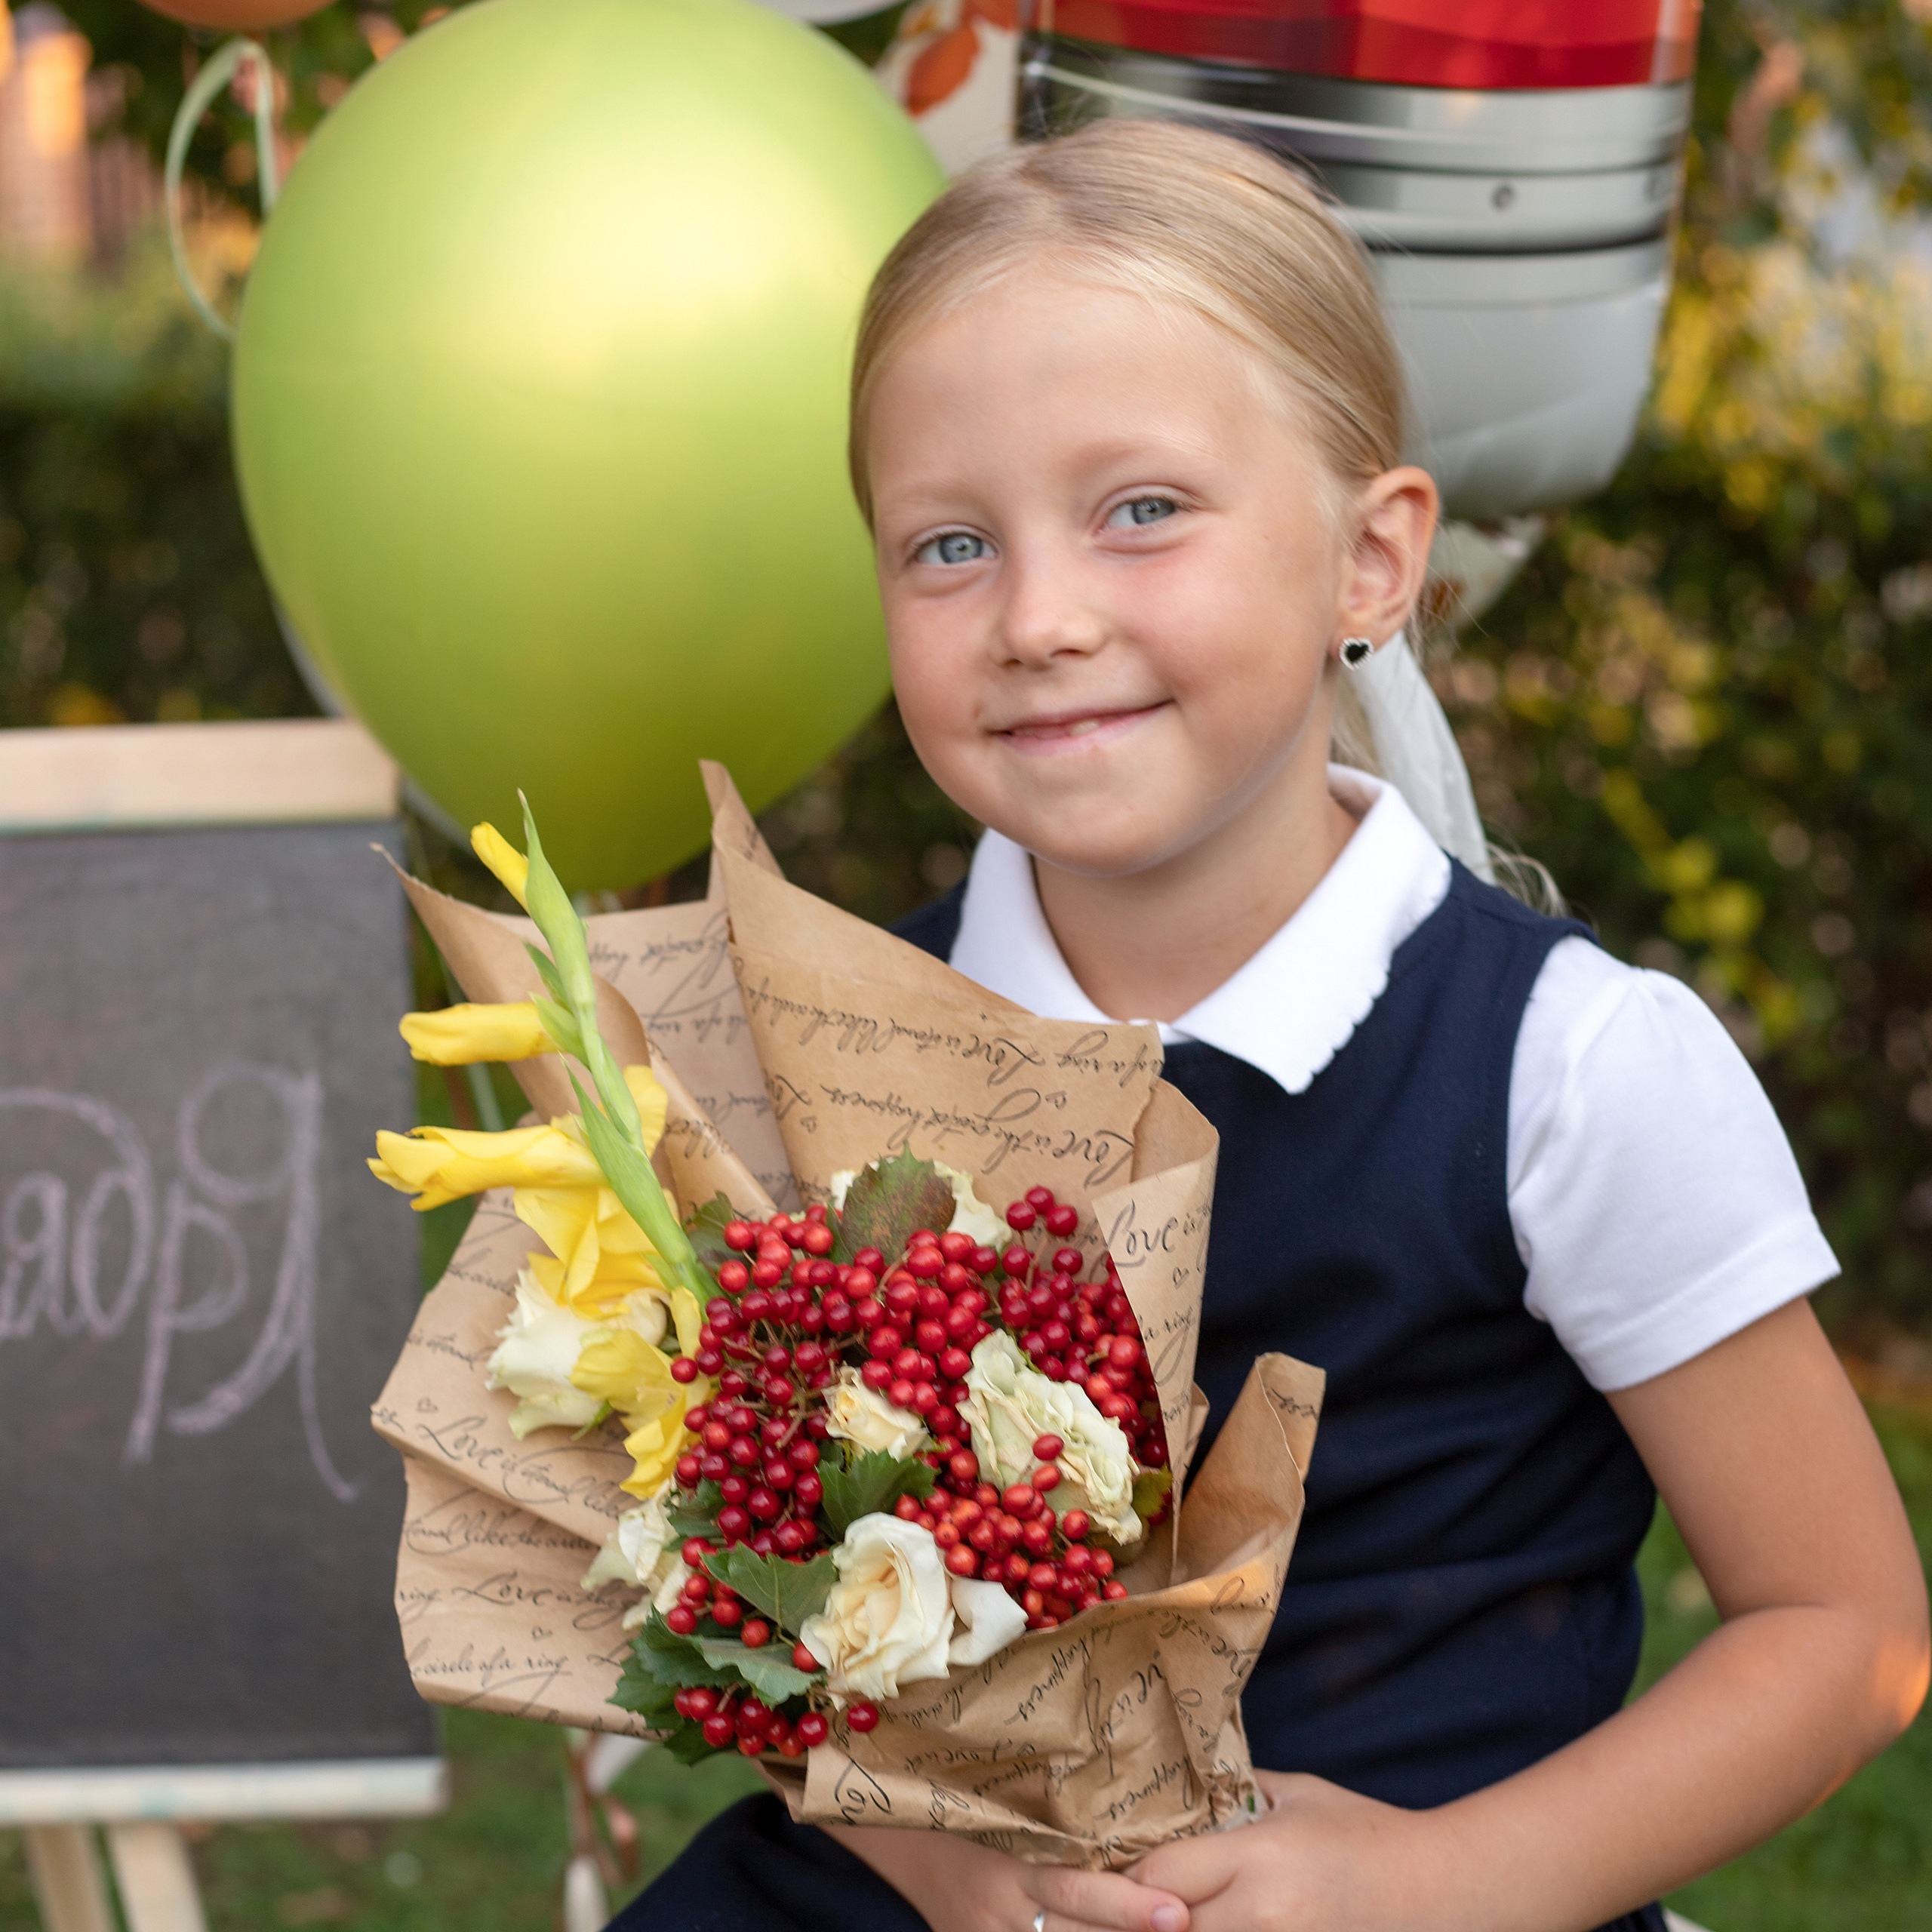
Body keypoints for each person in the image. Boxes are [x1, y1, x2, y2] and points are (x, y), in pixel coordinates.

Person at [617, 119, 1927, 1932]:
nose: (1040, 616)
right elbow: (741, 1576)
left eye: (1139, 509)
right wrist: (943, 1858)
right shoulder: (814, 1049)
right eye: (945, 542)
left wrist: (1436, 1878)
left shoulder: (1563, 1069)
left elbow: (1841, 1629)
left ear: (1371, 561)